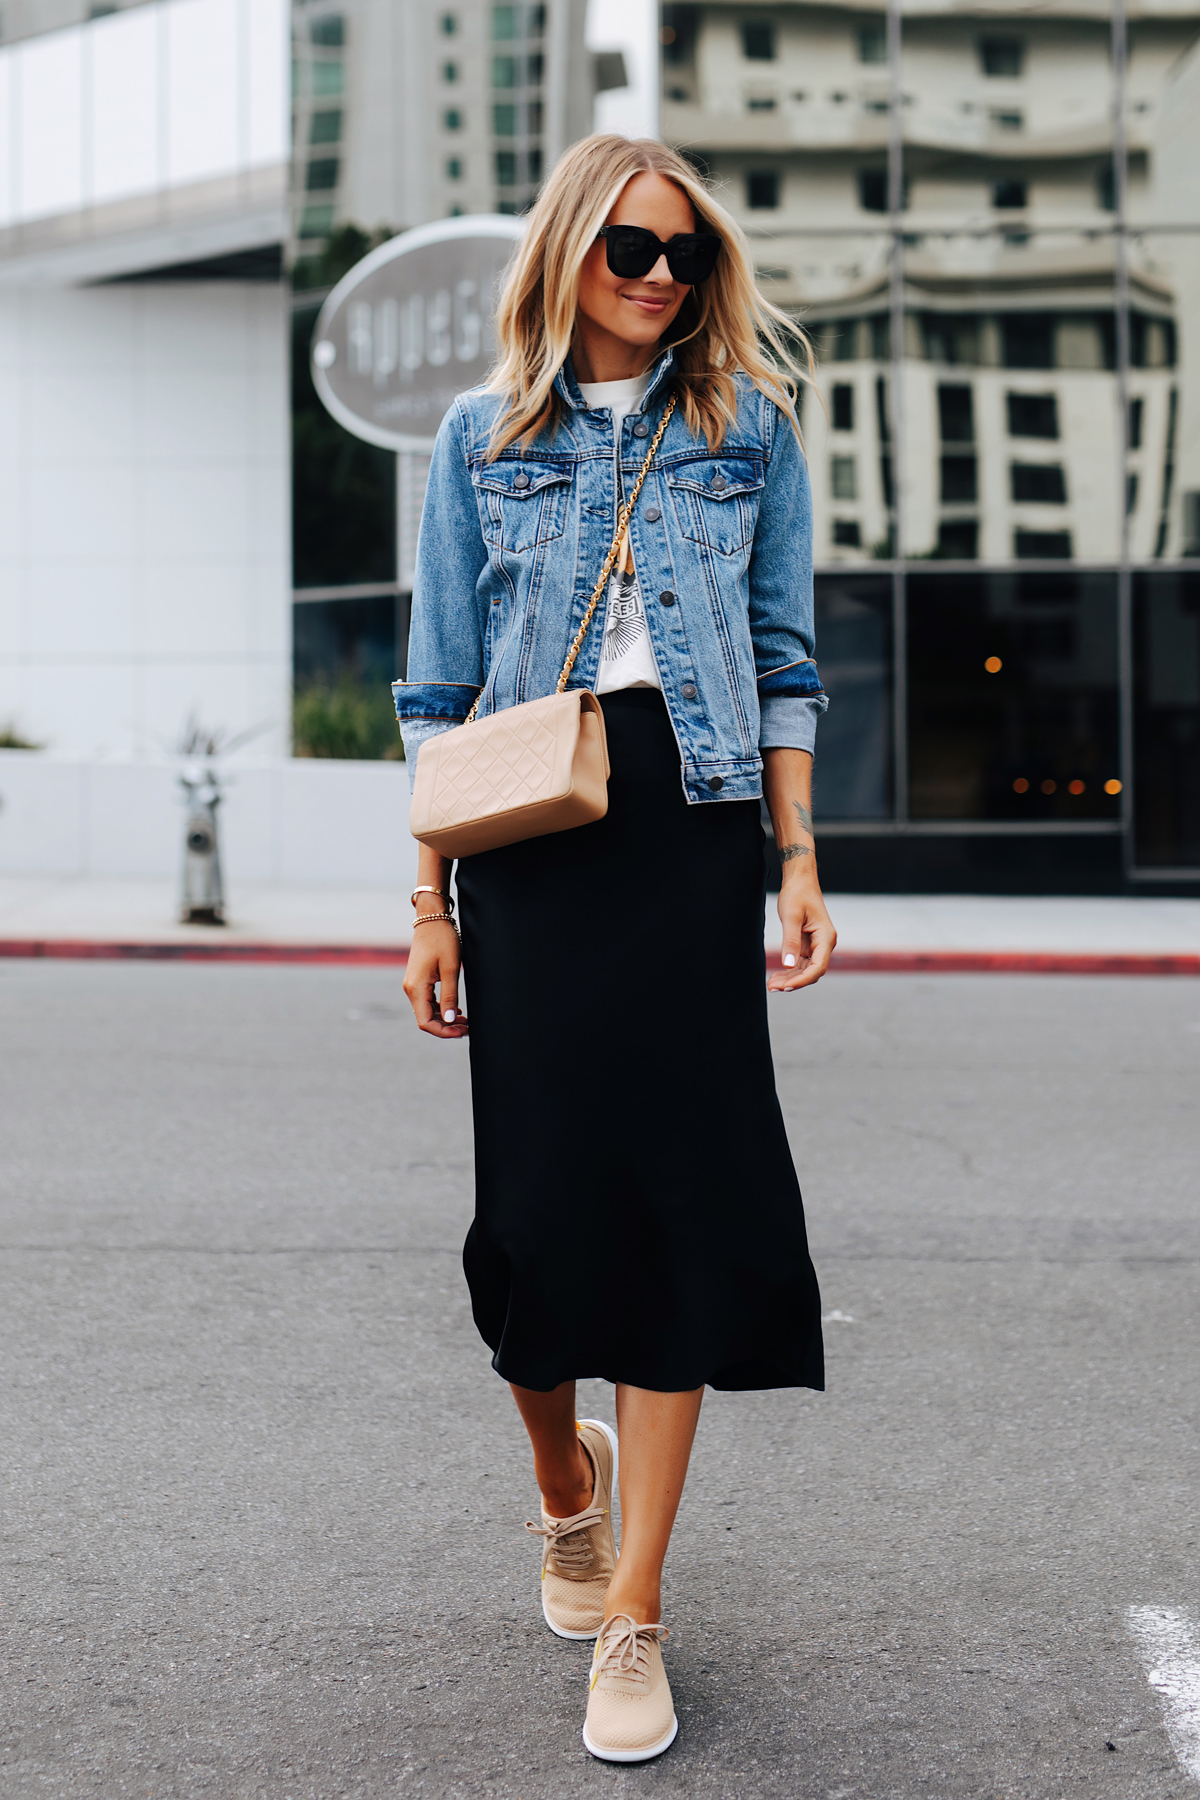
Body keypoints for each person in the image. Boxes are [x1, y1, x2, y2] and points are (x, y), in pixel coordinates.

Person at [394, 133, 836, 1764]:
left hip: (695, 830)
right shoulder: (478, 434)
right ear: (570, 250)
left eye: (683, 258)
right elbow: (438, 694)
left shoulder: (748, 434)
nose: (659, 279)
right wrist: (429, 905)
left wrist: (796, 862)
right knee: (534, 1226)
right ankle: (558, 1481)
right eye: (631, 251)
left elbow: (786, 663)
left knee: (690, 1213)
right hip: (536, 848)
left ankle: (636, 1610)